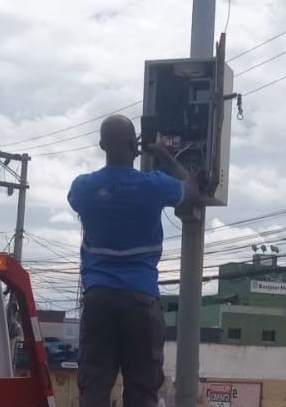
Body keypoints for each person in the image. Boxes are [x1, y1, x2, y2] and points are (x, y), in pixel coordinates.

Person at [68, 115, 198, 407]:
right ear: (134, 146)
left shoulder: (84, 187)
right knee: (142, 387)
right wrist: (165, 155)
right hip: (140, 299)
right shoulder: (153, 186)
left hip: (98, 298)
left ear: (102, 145)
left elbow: (77, 200)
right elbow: (191, 188)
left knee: (94, 386)